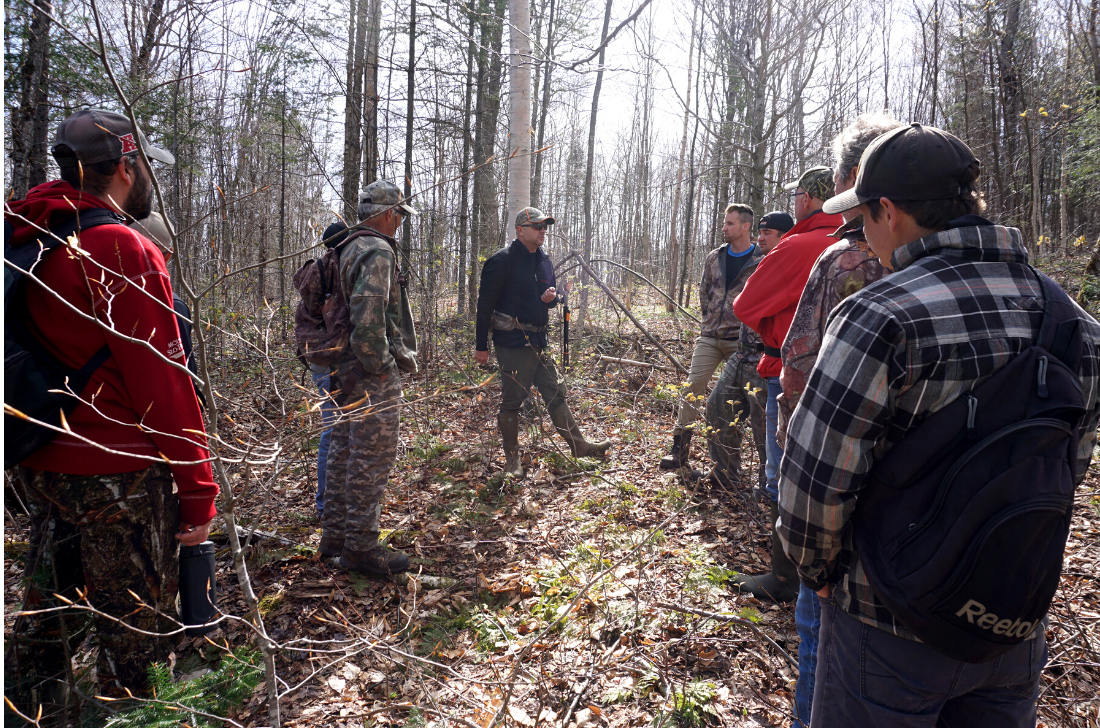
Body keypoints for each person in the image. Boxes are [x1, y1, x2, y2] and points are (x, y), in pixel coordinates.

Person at [778, 123, 1100, 727]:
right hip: (1011, 618)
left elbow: (816, 480)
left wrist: (816, 572)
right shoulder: (1071, 320)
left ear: (890, 211)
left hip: (886, 623)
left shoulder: (878, 314)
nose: (863, 235)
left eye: (864, 218)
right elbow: (1068, 466)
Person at [5, 109, 217, 714]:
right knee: (138, 642)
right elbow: (165, 385)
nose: (151, 177)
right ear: (125, 167)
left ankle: (28, 714)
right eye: (146, 165)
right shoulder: (118, 247)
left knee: (48, 621)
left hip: (43, 460)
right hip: (118, 475)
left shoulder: (29, 230)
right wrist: (197, 492)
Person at [776, 114, 900, 728]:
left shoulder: (841, 263)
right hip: (959, 549)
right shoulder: (1016, 290)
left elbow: (799, 387)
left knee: (822, 651)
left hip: (849, 516)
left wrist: (813, 559)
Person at [731, 167, 844, 603]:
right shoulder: (866, 240)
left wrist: (775, 327)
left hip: (793, 374)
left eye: (797, 194)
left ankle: (787, 578)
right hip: (851, 380)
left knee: (784, 477)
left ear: (808, 199)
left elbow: (746, 303)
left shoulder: (803, 244)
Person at [319, 181, 418, 575]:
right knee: (370, 458)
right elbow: (368, 315)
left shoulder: (346, 246)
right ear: (389, 214)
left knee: (344, 450)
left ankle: (336, 537)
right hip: (365, 373)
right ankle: (360, 547)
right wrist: (377, 366)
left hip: (341, 369)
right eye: (399, 216)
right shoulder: (375, 249)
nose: (399, 223)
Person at [474, 207, 610, 479]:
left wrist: (554, 298)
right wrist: (481, 346)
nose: (542, 231)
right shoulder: (501, 261)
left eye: (544, 226)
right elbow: (484, 305)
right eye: (536, 226)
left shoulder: (544, 260)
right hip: (512, 343)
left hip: (538, 341)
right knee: (512, 402)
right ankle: (512, 462)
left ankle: (579, 446)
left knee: (554, 392)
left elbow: (550, 297)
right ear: (520, 230)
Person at [660, 203, 760, 470]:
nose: (724, 228)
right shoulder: (714, 257)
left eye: (729, 223)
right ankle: (679, 451)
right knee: (692, 388)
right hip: (710, 336)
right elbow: (705, 291)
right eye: (724, 223)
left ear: (745, 226)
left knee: (737, 397)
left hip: (741, 340)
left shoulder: (761, 259)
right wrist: (710, 320)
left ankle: (730, 457)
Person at [704, 211, 791, 491]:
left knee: (763, 426)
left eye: (768, 233)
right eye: (761, 232)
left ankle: (769, 487)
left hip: (766, 358)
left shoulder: (787, 267)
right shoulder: (759, 263)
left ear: (784, 237)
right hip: (740, 354)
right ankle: (724, 475)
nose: (761, 237)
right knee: (717, 407)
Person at [310, 221, 349, 518]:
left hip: (319, 360)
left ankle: (329, 504)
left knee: (334, 430)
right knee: (334, 431)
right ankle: (327, 506)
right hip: (334, 360)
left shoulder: (316, 269)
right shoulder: (342, 268)